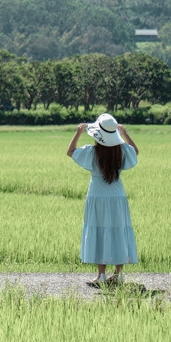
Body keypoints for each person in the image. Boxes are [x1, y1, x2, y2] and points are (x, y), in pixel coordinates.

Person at [66, 113, 139, 286]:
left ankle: (101, 275)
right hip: (117, 197)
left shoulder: (92, 152)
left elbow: (70, 152)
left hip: (97, 197)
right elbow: (135, 151)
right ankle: (119, 274)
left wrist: (77, 132)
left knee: (100, 231)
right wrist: (126, 134)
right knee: (118, 230)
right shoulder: (121, 151)